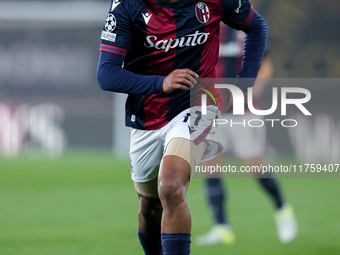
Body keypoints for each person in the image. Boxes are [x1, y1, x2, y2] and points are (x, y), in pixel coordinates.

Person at [97, 0, 268, 254]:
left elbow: (256, 26)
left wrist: (244, 83)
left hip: (198, 104)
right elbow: (106, 73)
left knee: (170, 186)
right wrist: (161, 83)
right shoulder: (127, 6)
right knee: (149, 207)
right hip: (147, 115)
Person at [195, 25, 298, 246]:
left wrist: (251, 90)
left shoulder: (246, 28)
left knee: (256, 167)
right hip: (213, 110)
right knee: (210, 167)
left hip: (244, 112)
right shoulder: (204, 28)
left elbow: (265, 65)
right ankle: (222, 228)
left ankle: (282, 210)